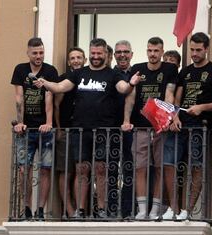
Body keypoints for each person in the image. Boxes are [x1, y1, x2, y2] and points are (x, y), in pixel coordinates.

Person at [34, 38, 140, 218]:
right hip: (80, 130)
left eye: (99, 54)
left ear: (105, 54)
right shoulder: (79, 73)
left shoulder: (112, 74)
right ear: (89, 53)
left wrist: (131, 83)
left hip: (103, 130)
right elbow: (60, 87)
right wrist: (45, 83)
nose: (96, 57)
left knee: (101, 169)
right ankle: (81, 209)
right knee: (82, 169)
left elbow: (123, 89)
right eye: (93, 54)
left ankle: (101, 209)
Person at [162, 32, 212, 220]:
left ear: (206, 49)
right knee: (169, 163)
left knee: (196, 167)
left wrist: (202, 107)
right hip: (180, 125)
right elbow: (176, 98)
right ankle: (174, 208)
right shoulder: (185, 71)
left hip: (201, 127)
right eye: (192, 49)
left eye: (198, 50)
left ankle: (188, 210)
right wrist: (174, 116)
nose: (194, 53)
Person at [122, 37, 178, 219]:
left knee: (160, 168)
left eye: (156, 51)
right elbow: (131, 95)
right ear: (146, 51)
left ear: (162, 52)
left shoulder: (169, 69)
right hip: (140, 127)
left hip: (160, 126)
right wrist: (126, 119)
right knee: (140, 168)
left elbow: (169, 94)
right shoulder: (138, 68)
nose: (152, 54)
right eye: (150, 50)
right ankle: (142, 209)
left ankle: (155, 209)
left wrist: (167, 118)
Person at [11, 37, 58, 219]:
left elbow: (49, 98)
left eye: (41, 52)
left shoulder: (50, 70)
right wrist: (20, 122)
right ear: (28, 53)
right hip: (26, 129)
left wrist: (49, 123)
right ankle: (28, 207)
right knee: (24, 169)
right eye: (35, 53)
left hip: (44, 129)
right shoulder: (20, 70)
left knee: (46, 168)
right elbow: (19, 97)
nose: (39, 56)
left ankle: (40, 209)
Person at [54, 47, 87, 218]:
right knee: (66, 171)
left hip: (84, 132)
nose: (76, 60)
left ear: (85, 60)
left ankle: (81, 210)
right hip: (66, 131)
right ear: (69, 62)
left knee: (82, 170)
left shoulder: (89, 78)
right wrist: (59, 128)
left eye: (79, 57)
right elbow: (56, 105)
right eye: (72, 58)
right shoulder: (63, 79)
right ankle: (68, 210)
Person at [113, 40, 134, 218]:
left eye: (126, 52)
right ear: (114, 55)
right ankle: (111, 210)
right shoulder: (109, 74)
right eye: (119, 52)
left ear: (132, 55)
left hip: (131, 130)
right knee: (110, 170)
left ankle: (128, 210)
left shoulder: (137, 74)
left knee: (130, 170)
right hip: (110, 129)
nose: (122, 55)